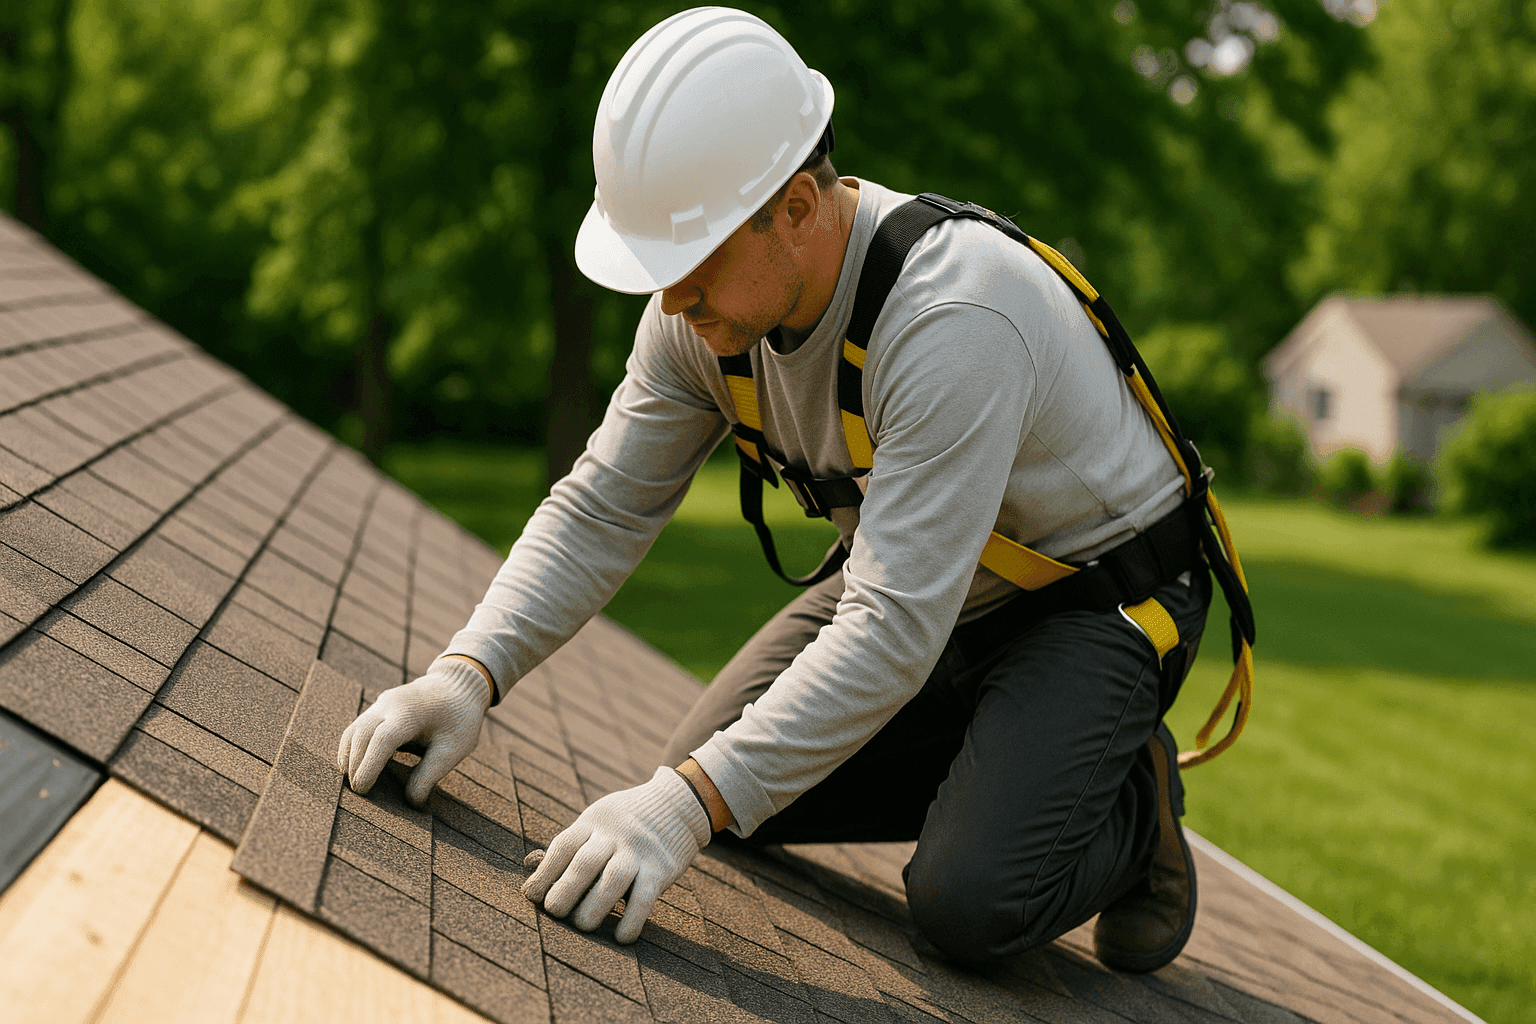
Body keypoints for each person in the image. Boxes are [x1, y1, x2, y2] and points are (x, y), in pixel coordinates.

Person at [336, 6, 1216, 973]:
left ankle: (1131, 802)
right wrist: (466, 673)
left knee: (967, 904)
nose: (667, 300)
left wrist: (683, 807)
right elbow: (601, 505)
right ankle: (1018, 755)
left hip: (1093, 601)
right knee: (726, 779)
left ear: (796, 209)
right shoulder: (698, 316)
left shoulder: (952, 318)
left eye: (689, 262)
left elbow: (888, 626)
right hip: (927, 582)